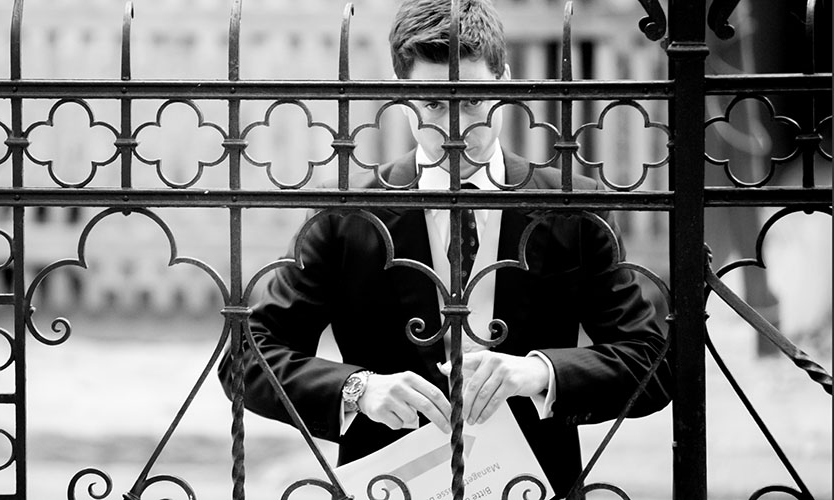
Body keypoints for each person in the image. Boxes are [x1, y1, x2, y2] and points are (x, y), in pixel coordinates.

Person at [218, 0, 672, 496]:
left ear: (506, 84)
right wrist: (359, 389)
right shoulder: (345, 216)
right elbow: (245, 356)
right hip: (392, 484)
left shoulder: (574, 207)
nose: (455, 127)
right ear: (401, 98)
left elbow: (652, 361)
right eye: (434, 104)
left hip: (535, 483)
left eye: (473, 101)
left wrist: (540, 373)